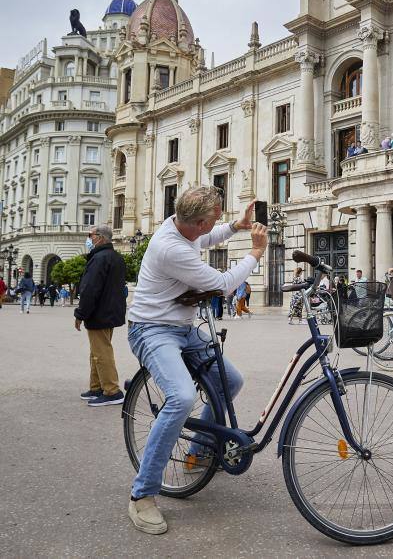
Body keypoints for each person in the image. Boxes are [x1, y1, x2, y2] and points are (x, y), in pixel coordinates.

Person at [126, 186, 266, 534]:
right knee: (181, 398)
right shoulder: (170, 247)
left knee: (230, 381)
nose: (216, 223)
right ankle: (142, 495)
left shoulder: (182, 227)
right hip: (152, 330)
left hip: (184, 327)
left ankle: (198, 452)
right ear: (198, 220)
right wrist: (255, 252)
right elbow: (222, 285)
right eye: (214, 218)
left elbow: (206, 239)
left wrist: (236, 225)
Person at [74, 225, 128, 406]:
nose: (89, 238)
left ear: (100, 237)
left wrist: (80, 313)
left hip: (99, 312)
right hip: (110, 310)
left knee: (101, 351)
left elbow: (90, 289)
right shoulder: (116, 257)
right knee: (97, 351)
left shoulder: (99, 258)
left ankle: (112, 391)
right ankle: (96, 387)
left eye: (91, 235)